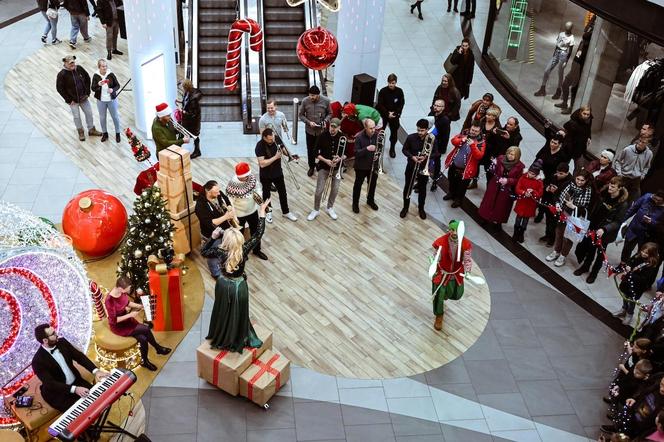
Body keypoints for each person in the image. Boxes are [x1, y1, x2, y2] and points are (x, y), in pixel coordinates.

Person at [201, 198, 271, 352]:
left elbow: (204, 252)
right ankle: (238, 335)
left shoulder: (220, 251)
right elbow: (258, 234)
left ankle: (223, 335)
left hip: (223, 284)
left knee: (223, 310)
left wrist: (212, 237)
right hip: (239, 286)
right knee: (238, 313)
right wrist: (261, 213)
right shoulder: (243, 249)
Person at [31, 324, 109, 412]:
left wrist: (96, 371)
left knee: (100, 400)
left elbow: (79, 357)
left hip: (77, 382)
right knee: (81, 414)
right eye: (53, 334)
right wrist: (75, 389)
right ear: (45, 340)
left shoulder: (62, 342)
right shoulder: (38, 361)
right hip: (58, 393)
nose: (57, 334)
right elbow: (50, 383)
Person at [105, 277, 172, 371]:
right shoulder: (109, 301)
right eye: (128, 288)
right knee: (146, 329)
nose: (129, 290)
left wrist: (140, 306)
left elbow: (127, 302)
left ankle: (145, 361)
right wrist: (131, 315)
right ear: (120, 288)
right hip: (119, 326)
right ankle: (158, 348)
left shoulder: (121, 292)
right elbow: (113, 321)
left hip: (127, 320)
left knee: (143, 339)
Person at [573, 177, 629, 283]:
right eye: (610, 185)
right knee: (590, 249)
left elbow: (617, 222)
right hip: (593, 225)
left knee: (600, 254)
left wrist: (604, 229)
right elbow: (594, 208)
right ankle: (585, 267)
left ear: (620, 188)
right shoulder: (603, 194)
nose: (610, 188)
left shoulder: (622, 204)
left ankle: (594, 273)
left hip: (606, 232)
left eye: (613, 187)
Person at [195, 180, 244, 277]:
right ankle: (216, 274)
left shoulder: (218, 194)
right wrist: (226, 217)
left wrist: (230, 208)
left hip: (225, 229)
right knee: (213, 255)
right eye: (216, 192)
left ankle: (229, 264)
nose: (219, 193)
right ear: (208, 191)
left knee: (227, 248)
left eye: (219, 191)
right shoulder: (200, 205)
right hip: (212, 234)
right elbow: (209, 223)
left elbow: (226, 200)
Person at [545, 169, 593, 267]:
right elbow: (557, 194)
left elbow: (587, 209)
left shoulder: (588, 191)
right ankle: (556, 251)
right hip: (562, 213)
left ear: (587, 180)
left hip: (574, 218)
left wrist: (574, 207)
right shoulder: (569, 183)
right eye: (578, 179)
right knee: (559, 233)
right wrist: (558, 203)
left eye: (582, 180)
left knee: (568, 238)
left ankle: (563, 256)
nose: (579, 182)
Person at [431, 220, 472, 330]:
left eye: (456, 230)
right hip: (442, 273)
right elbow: (435, 256)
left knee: (457, 294)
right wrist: (434, 263)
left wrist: (467, 271)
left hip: (456, 273)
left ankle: (446, 295)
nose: (454, 232)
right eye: (452, 230)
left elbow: (467, 260)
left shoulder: (465, 244)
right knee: (439, 296)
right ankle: (439, 315)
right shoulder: (441, 242)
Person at [227, 162, 269, 260]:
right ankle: (241, 253)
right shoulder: (232, 184)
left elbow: (258, 187)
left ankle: (257, 250)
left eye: (247, 176)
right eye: (244, 177)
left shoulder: (251, 178)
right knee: (239, 235)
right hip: (239, 214)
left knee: (256, 231)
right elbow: (230, 202)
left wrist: (258, 195)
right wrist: (234, 217)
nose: (246, 178)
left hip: (252, 211)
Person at [56, 55, 102, 141]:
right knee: (76, 116)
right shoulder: (62, 74)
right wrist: (68, 100)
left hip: (83, 98)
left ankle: (91, 129)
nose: (72, 64)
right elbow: (59, 88)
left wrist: (88, 92)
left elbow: (87, 78)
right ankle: (80, 131)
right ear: (65, 63)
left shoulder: (79, 68)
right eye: (70, 63)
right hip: (73, 101)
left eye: (73, 62)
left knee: (89, 113)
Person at [255, 128, 298, 221]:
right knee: (266, 194)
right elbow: (262, 163)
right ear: (264, 138)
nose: (272, 140)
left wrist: (290, 155)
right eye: (270, 139)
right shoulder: (260, 146)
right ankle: (268, 212)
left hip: (277, 172)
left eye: (273, 138)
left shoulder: (276, 138)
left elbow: (282, 149)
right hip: (265, 175)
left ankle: (286, 212)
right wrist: (275, 157)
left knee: (283, 193)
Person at [308, 118, 345, 221]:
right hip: (324, 167)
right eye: (331, 126)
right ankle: (316, 210)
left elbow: (346, 154)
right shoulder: (322, 136)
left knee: (335, 189)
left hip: (337, 168)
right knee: (319, 190)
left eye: (334, 127)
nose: (332, 129)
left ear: (339, 127)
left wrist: (339, 159)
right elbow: (315, 153)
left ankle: (330, 207)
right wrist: (326, 161)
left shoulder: (342, 137)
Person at [478, 146, 524, 228]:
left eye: (513, 154)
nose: (510, 156)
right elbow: (493, 171)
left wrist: (508, 180)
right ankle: (485, 218)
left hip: (506, 190)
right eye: (509, 153)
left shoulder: (520, 167)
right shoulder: (500, 159)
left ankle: (498, 222)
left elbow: (518, 180)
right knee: (489, 202)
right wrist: (493, 165)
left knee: (502, 207)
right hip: (494, 185)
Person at [616, 243, 661, 325]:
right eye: (643, 251)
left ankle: (629, 314)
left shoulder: (650, 265)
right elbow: (630, 260)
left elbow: (644, 279)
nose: (643, 254)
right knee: (625, 296)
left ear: (651, 255)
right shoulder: (638, 255)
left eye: (646, 253)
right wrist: (628, 266)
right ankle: (623, 309)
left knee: (632, 301)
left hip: (636, 287)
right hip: (627, 282)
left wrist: (631, 273)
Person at [444, 121, 485, 208]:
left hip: (467, 170)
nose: (473, 132)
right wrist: (461, 140)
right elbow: (453, 141)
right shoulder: (464, 133)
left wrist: (472, 145)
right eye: (472, 129)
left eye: (476, 131)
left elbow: (479, 156)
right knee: (451, 180)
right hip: (454, 164)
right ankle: (451, 193)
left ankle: (458, 200)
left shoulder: (481, 141)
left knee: (462, 187)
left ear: (480, 131)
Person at [534, 125, 569, 223]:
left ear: (560, 144)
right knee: (539, 193)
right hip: (542, 174)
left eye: (555, 143)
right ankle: (539, 211)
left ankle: (542, 214)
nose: (552, 144)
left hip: (552, 178)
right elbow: (538, 160)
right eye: (551, 142)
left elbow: (562, 168)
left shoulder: (562, 155)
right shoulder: (546, 149)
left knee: (547, 197)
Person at [620, 191, 664, 264]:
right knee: (627, 248)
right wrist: (620, 221)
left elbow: (661, 225)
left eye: (659, 201)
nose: (656, 201)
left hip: (647, 234)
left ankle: (634, 267)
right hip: (634, 228)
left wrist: (652, 222)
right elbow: (633, 209)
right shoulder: (647, 197)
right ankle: (622, 264)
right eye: (655, 198)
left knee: (643, 252)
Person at [534, 22, 575, 98]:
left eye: (568, 28)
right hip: (557, 53)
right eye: (566, 28)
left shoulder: (571, 38)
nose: (566, 30)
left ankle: (558, 91)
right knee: (547, 70)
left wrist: (566, 61)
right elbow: (557, 45)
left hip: (563, 54)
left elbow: (570, 51)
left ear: (571, 29)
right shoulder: (561, 34)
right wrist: (554, 55)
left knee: (560, 73)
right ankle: (542, 88)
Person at [401, 119, 431, 219]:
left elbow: (436, 153)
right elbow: (404, 149)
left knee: (422, 189)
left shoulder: (431, 139)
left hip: (423, 168)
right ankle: (405, 207)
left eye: (422, 130)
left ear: (427, 129)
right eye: (418, 130)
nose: (419, 132)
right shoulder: (411, 137)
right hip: (411, 167)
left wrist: (425, 157)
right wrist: (412, 156)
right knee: (407, 187)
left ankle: (421, 209)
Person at [554, 31, 592, 114]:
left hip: (579, 69)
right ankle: (564, 103)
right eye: (584, 40)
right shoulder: (582, 43)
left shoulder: (590, 48)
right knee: (564, 85)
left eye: (586, 41)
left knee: (574, 89)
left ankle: (571, 108)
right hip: (574, 66)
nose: (584, 42)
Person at [298, 85, 331, 176]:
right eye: (310, 95)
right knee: (310, 150)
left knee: (323, 149)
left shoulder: (326, 101)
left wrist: (325, 121)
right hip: (310, 131)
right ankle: (311, 166)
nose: (311, 97)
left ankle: (321, 165)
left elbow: (330, 113)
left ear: (318, 95)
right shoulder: (305, 101)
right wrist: (308, 122)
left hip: (321, 132)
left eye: (313, 95)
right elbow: (300, 115)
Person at [539, 162, 573, 246]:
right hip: (550, 201)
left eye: (561, 174)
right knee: (548, 220)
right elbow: (545, 183)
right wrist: (548, 188)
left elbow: (568, 195)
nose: (558, 175)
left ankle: (552, 239)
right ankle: (547, 235)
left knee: (554, 224)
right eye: (557, 172)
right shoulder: (554, 176)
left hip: (559, 206)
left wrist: (557, 191)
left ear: (567, 173)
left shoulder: (570, 182)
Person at [352, 119, 381, 213]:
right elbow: (356, 153)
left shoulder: (377, 135)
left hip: (373, 165)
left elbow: (379, 148)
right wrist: (367, 149)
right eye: (371, 128)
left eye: (374, 127)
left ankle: (370, 200)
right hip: (361, 167)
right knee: (358, 185)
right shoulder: (359, 137)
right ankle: (355, 204)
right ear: (365, 128)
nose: (373, 130)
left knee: (372, 184)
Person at [513, 160, 544, 243]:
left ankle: (521, 233)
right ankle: (516, 233)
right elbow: (517, 188)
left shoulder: (539, 182)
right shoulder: (522, 177)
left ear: (537, 174)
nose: (530, 175)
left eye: (533, 174)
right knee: (518, 218)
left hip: (530, 204)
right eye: (530, 173)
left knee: (526, 219)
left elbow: (540, 193)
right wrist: (523, 192)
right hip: (522, 202)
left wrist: (533, 192)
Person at [614, 137, 654, 204]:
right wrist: (619, 173)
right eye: (639, 141)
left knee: (633, 199)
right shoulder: (628, 149)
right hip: (624, 176)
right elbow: (618, 161)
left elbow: (647, 167)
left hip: (636, 179)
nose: (640, 143)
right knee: (618, 196)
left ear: (647, 144)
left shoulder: (649, 154)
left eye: (643, 142)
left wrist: (643, 174)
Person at [90, 59, 121, 143]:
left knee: (115, 116)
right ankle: (105, 133)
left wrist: (112, 90)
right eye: (103, 66)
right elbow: (93, 88)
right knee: (102, 117)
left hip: (111, 100)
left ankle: (118, 133)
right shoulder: (96, 76)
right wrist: (98, 85)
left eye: (106, 66)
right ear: (99, 67)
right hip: (101, 101)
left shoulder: (110, 74)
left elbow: (118, 85)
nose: (105, 68)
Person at [376, 73, 405, 158]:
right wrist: (387, 113)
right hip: (384, 115)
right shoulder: (383, 91)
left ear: (395, 83)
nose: (391, 85)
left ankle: (392, 148)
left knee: (394, 133)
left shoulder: (399, 91)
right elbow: (380, 104)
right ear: (387, 82)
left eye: (393, 83)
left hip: (394, 116)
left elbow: (401, 104)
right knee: (381, 131)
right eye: (390, 83)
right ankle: (379, 146)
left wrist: (395, 114)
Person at [563, 105, 593, 174]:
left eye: (588, 114)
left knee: (579, 168)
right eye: (584, 114)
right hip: (569, 147)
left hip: (580, 148)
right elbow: (566, 126)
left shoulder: (589, 120)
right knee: (563, 166)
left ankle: (574, 182)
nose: (586, 116)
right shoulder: (573, 121)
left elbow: (588, 130)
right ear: (580, 113)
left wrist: (589, 137)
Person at [429, 99, 451, 191]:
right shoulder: (431, 115)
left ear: (443, 108)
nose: (436, 107)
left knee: (436, 165)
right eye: (435, 105)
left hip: (437, 146)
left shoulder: (445, 120)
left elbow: (445, 136)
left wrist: (441, 150)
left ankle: (435, 182)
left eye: (438, 106)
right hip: (429, 142)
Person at [180, 79, 203, 159]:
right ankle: (196, 150)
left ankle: (197, 151)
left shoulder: (194, 100)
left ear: (186, 87)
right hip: (188, 120)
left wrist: (183, 112)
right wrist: (180, 101)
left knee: (195, 135)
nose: (182, 88)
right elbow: (186, 101)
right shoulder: (189, 92)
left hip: (193, 121)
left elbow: (193, 114)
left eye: (183, 86)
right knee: (187, 133)